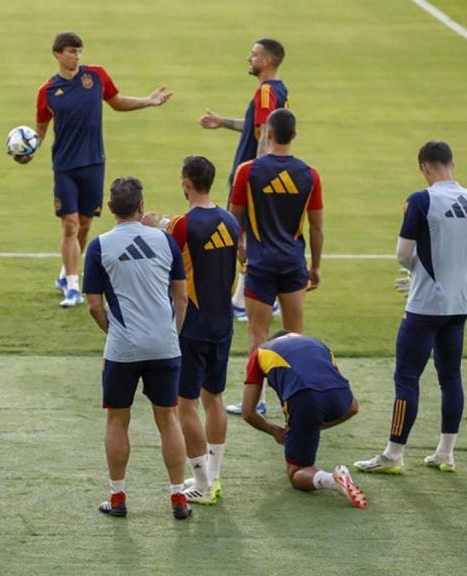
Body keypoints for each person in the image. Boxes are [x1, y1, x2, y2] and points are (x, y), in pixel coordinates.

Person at [18, 31, 172, 308]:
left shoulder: (96, 76)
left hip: (94, 162)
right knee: (70, 224)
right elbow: (39, 131)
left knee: (85, 225)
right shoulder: (48, 91)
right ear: (57, 54)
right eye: (70, 51)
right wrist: (28, 152)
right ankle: (73, 288)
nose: (76, 56)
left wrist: (149, 101)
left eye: (79, 51)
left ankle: (66, 272)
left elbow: (117, 102)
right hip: (65, 166)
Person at [82, 177, 192, 520]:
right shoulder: (164, 241)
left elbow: (94, 306)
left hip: (123, 348)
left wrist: (113, 333)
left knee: (117, 420)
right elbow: (182, 297)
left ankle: (117, 497)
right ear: (142, 206)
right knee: (169, 419)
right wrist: (171, 334)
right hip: (164, 345)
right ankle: (178, 498)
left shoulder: (99, 246)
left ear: (111, 208)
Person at [355, 141, 467, 475]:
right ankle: (446, 453)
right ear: (451, 163)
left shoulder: (421, 199)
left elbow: (404, 254)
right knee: (451, 376)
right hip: (460, 304)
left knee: (407, 377)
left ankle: (394, 453)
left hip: (424, 305)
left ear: (425, 167)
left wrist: (414, 273)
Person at [227, 109, 323, 416]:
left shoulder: (248, 171)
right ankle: (297, 400)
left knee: (258, 333)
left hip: (260, 264)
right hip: (294, 263)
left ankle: (255, 402)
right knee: (296, 335)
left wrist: (240, 245)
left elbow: (233, 218)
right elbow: (317, 227)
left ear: (267, 134)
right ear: (294, 135)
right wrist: (316, 266)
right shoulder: (310, 174)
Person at [164, 157, 239, 505]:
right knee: (215, 398)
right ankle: (216, 475)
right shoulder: (230, 221)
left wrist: (158, 227)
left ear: (187, 183)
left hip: (192, 324)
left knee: (186, 404)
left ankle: (202, 483)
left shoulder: (183, 224)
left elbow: (167, 259)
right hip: (222, 322)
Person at [199, 38, 288, 326]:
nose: (249, 58)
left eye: (255, 54)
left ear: (269, 60)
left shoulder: (265, 91)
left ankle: (257, 298)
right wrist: (222, 122)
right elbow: (256, 128)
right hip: (260, 173)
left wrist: (258, 173)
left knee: (239, 235)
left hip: (253, 176)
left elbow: (264, 135)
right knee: (245, 235)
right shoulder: (278, 89)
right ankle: (242, 299)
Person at [242, 332, 367, 509]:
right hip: (340, 395)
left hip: (304, 398)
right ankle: (310, 437)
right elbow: (353, 407)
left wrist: (275, 430)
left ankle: (332, 480)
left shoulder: (260, 352)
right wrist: (306, 430)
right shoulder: (318, 343)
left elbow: (248, 412)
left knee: (296, 472)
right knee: (308, 426)